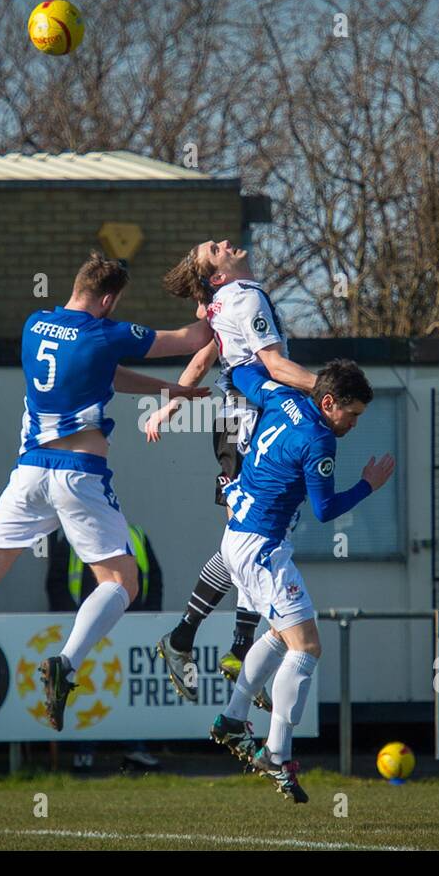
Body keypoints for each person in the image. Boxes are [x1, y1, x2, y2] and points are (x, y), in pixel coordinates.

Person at [0, 252, 211, 732]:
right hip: (78, 474)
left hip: (28, 472)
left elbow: (103, 373)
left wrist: (170, 391)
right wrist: (211, 300)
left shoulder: (35, 324)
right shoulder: (108, 333)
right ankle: (65, 662)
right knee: (122, 582)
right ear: (107, 299)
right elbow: (193, 339)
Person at [208, 360, 395, 803]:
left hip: (236, 536)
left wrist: (249, 353)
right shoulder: (319, 438)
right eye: (351, 413)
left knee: (279, 633)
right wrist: (368, 485)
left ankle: (234, 718)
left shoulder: (281, 397)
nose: (353, 422)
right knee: (307, 647)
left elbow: (242, 373)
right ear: (328, 403)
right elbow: (325, 510)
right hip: (263, 549)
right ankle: (275, 753)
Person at [146, 238, 316, 710]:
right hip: (245, 431)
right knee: (248, 541)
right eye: (214, 249)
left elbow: (204, 358)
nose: (225, 242)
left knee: (253, 539)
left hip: (244, 427)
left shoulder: (227, 298)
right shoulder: (243, 297)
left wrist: (168, 406)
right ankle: (199, 641)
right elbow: (276, 366)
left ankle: (228, 647)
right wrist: (329, 389)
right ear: (218, 275)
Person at [45, 524, 162, 770]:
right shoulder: (70, 537)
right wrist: (74, 624)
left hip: (129, 624)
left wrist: (148, 616)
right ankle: (84, 749)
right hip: (88, 631)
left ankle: (135, 748)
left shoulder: (136, 534)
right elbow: (56, 582)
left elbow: (154, 576)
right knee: (90, 685)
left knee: (128, 688)